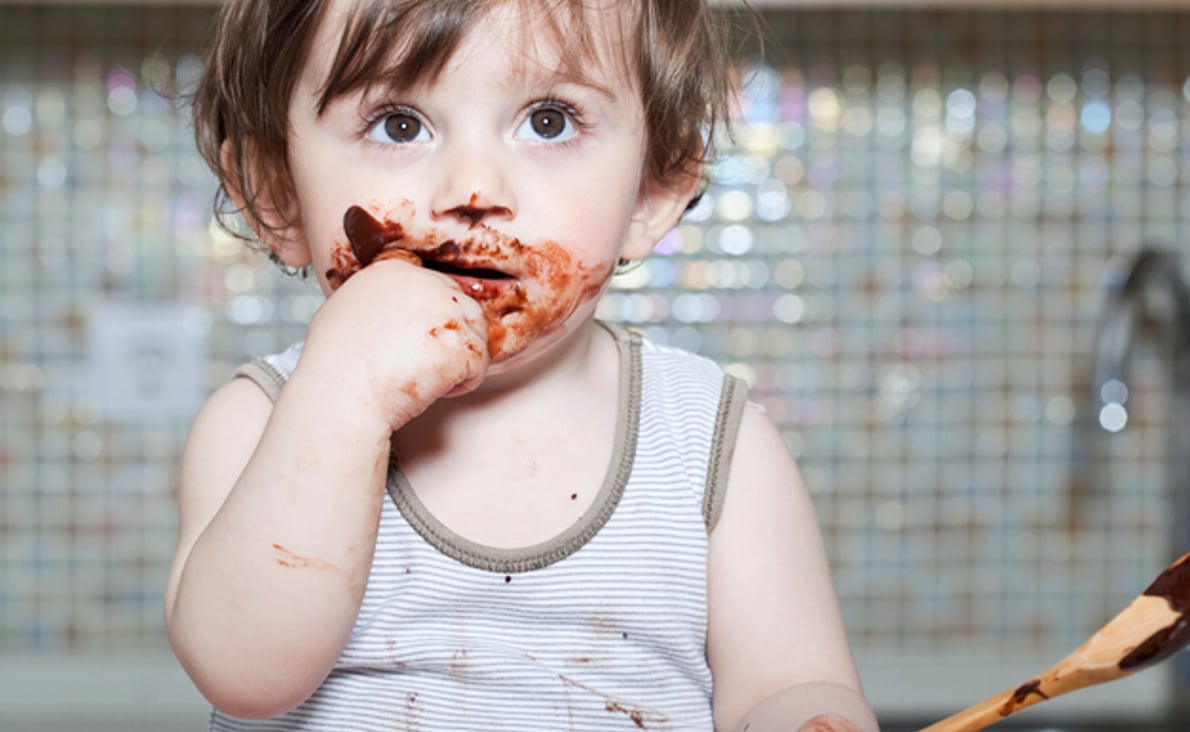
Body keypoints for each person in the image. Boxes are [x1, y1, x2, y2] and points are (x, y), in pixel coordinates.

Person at [164, 1, 878, 730]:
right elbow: (243, 675)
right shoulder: (258, 423)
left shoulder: (710, 447)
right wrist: (339, 402)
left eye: (549, 121)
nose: (475, 191)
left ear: (653, 190)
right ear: (278, 192)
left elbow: (788, 685)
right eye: (399, 124)